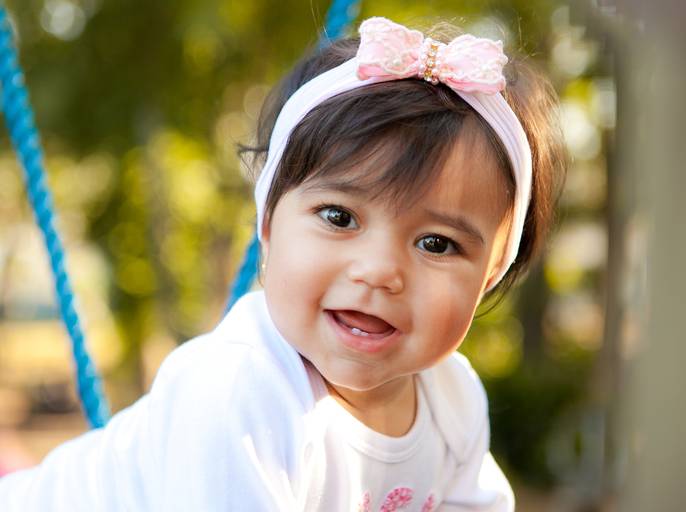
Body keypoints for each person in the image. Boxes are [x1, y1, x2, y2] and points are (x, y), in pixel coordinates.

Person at [0, 16, 564, 511]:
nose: (378, 271)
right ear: (267, 227)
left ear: (491, 272)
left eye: (436, 244)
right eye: (340, 217)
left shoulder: (451, 400)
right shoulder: (237, 391)